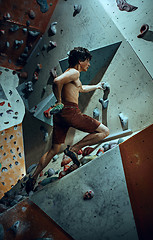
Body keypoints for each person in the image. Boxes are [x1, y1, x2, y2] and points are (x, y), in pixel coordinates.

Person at [25, 47, 109, 193]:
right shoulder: (74, 72)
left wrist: (97, 86)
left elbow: (81, 88)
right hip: (70, 111)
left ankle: (33, 177)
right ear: (80, 61)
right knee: (105, 131)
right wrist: (59, 101)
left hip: (60, 116)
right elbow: (56, 81)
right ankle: (74, 149)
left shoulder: (72, 75)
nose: (89, 65)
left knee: (54, 149)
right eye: (88, 61)